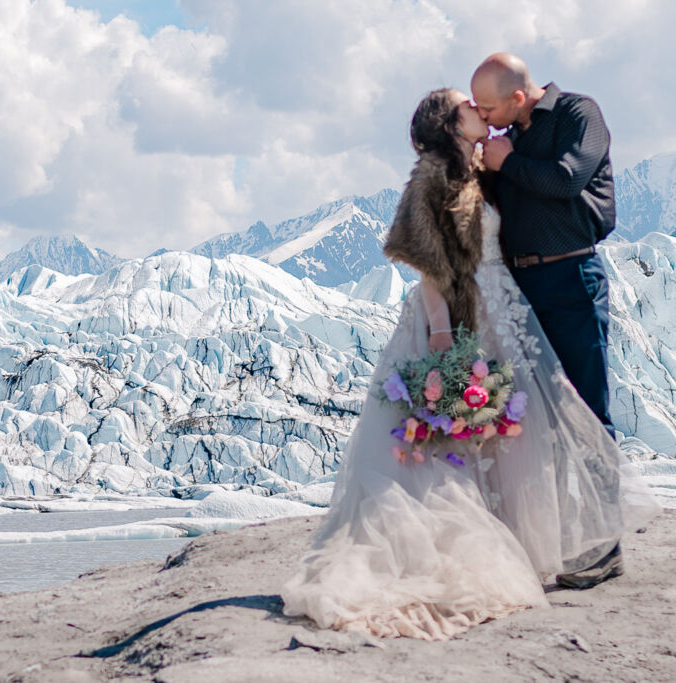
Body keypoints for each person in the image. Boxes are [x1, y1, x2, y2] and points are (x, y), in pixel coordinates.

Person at [280, 88, 659, 641]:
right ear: (449, 122)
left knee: (497, 436)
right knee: (449, 439)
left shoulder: (476, 168)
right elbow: (432, 262)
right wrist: (442, 336)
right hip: (457, 317)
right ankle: (444, 553)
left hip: (496, 312)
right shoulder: (437, 175)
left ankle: (508, 542)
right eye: (468, 105)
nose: (480, 110)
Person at [472, 53, 620, 588]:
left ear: (517, 95)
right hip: (522, 289)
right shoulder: (503, 141)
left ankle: (605, 548)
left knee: (588, 412)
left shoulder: (579, 113)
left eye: (489, 107)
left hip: (571, 279)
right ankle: (562, 542)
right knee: (541, 425)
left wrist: (507, 162)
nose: (485, 118)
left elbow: (564, 179)